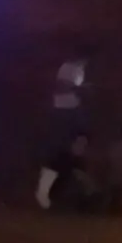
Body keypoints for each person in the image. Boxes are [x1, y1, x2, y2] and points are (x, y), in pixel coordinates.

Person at [35, 43, 92, 211]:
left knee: (74, 149)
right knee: (60, 153)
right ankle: (44, 193)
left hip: (72, 109)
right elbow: (60, 87)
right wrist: (79, 89)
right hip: (64, 111)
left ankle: (55, 194)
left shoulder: (79, 70)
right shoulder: (68, 68)